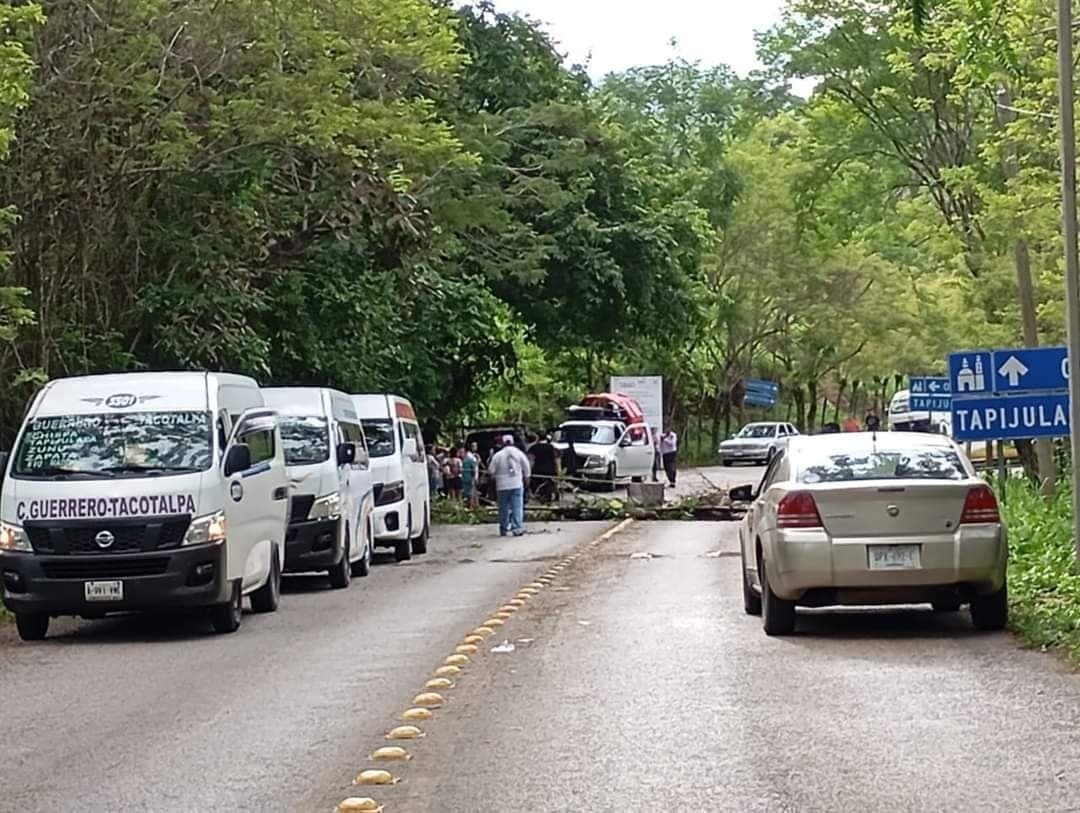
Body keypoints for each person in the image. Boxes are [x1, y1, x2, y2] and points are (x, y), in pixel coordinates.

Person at [488, 434, 531, 537]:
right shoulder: (519, 453)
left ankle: (504, 528)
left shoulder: (498, 455)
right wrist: (527, 479)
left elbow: (491, 470)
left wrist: (495, 476)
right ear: (512, 442)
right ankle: (517, 528)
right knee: (517, 506)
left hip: (502, 485)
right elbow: (527, 467)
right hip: (516, 483)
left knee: (503, 508)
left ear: (503, 443)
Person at [529, 433, 558, 504]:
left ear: (538, 438)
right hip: (550, 471)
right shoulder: (551, 447)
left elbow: (531, 460)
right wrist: (557, 469)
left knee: (537, 486)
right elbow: (555, 459)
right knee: (549, 487)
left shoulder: (533, 448)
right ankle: (548, 500)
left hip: (537, 471)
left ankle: (539, 498)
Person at [462, 442, 480, 509]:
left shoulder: (469, 456)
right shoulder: (471, 457)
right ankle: (471, 506)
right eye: (474, 446)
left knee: (472, 492)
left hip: (467, 477)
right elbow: (474, 469)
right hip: (470, 477)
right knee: (471, 493)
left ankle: (475, 506)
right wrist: (475, 478)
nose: (476, 447)